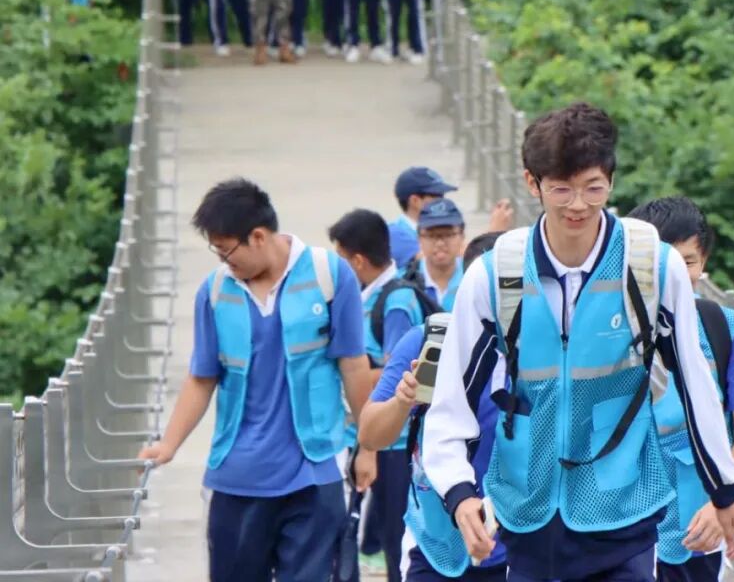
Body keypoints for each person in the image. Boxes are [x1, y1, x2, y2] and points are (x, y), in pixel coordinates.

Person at [421, 103, 734, 581]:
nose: (578, 205)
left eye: (593, 188)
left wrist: (724, 490)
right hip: (527, 517)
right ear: (532, 183)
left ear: (611, 181)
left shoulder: (651, 267)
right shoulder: (495, 276)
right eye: (561, 189)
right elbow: (450, 402)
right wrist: (458, 492)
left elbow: (698, 387)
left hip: (624, 513)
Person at [137, 178, 376, 581]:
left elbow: (353, 365)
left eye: (227, 251)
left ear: (259, 236)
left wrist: (368, 447)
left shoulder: (329, 276)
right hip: (237, 477)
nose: (224, 262)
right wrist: (169, 444)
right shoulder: (215, 292)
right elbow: (201, 378)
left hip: (315, 470)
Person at [627, 197, 734, 581]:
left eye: (686, 262)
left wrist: (723, 498)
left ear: (704, 262)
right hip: (622, 520)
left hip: (696, 521)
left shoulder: (722, 327)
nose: (675, 273)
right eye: (663, 262)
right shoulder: (611, 326)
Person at [359, 232, 509, 581]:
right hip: (437, 546)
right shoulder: (428, 341)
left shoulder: (543, 348)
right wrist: (402, 402)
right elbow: (370, 434)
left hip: (522, 550)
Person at [329, 209, 434, 582]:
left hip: (395, 440)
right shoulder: (369, 296)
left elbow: (398, 370)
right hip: (373, 434)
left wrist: (345, 370)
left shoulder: (396, 302)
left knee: (396, 538)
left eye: (341, 259)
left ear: (357, 260)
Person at [388, 167, 459, 269]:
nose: (443, 202)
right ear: (415, 201)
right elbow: (432, 263)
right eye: (437, 196)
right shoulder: (396, 234)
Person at [406, 199, 466, 310]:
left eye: (448, 235)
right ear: (419, 239)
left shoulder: (473, 278)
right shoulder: (405, 281)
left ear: (462, 236)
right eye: (431, 236)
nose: (440, 243)